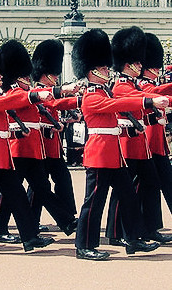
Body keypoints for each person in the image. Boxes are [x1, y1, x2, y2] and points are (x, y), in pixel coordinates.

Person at [71, 28, 166, 260]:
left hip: (115, 156)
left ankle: (134, 239)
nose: (108, 70)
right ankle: (84, 246)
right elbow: (120, 103)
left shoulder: (105, 92)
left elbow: (121, 104)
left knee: (130, 198)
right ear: (92, 72)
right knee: (94, 203)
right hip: (100, 156)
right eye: (104, 68)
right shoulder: (93, 96)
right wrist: (150, 100)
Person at [0, 37, 55, 254]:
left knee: (18, 197)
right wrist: (33, 96)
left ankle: (30, 238)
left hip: (2, 155)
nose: (0, 76)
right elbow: (9, 102)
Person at [0, 39, 78, 243]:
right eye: (24, 76)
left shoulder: (24, 92)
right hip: (18, 149)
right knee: (9, 193)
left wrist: (76, 99)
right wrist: (61, 91)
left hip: (32, 149)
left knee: (43, 188)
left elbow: (48, 103)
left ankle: (66, 221)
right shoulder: (14, 93)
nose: (28, 79)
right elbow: (33, 97)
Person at [106, 26, 171, 245]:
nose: (141, 65)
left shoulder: (133, 83)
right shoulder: (122, 86)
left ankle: (150, 228)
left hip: (141, 145)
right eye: (137, 62)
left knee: (150, 185)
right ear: (127, 63)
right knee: (124, 191)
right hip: (128, 144)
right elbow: (144, 96)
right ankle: (115, 233)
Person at [137, 32, 172, 219]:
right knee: (150, 186)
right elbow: (156, 94)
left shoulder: (150, 82)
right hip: (149, 141)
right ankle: (145, 226)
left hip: (158, 143)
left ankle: (150, 227)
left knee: (156, 185)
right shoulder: (143, 84)